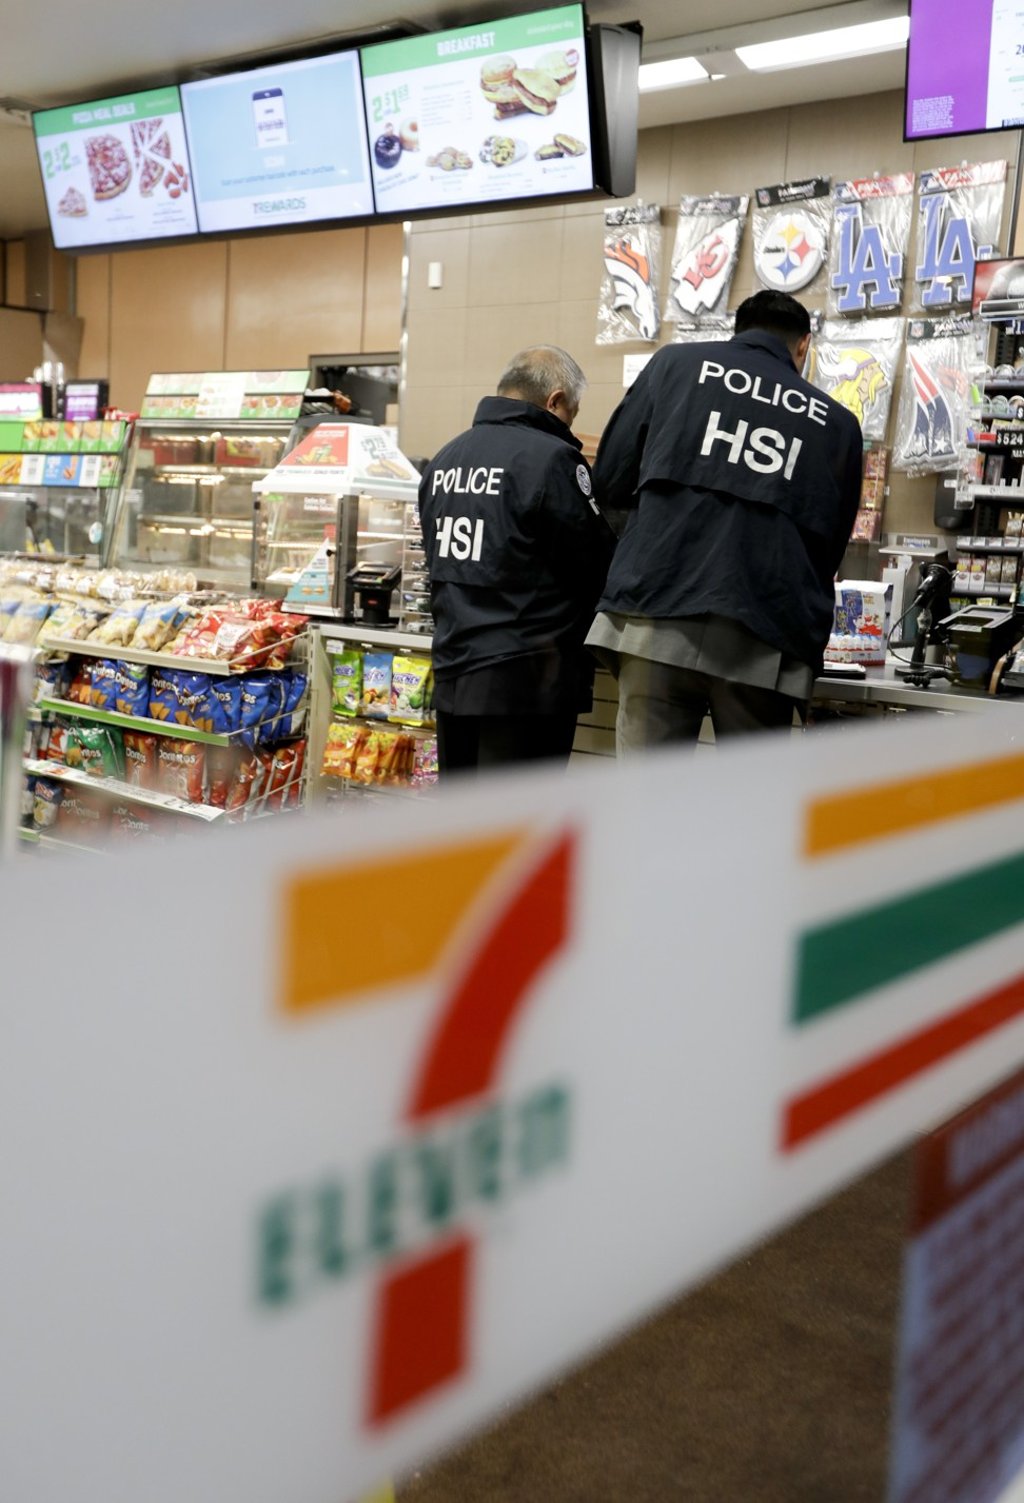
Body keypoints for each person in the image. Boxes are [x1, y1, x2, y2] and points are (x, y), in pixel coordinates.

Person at [587, 290, 863, 750]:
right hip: (764, 633)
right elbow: (832, 543)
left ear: (737, 330)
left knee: (644, 806)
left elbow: (610, 478)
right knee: (747, 810)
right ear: (803, 346)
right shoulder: (837, 424)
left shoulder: (674, 366)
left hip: (656, 614)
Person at [419, 345, 614, 775]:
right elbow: (595, 563)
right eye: (573, 413)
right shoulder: (552, 460)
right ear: (555, 400)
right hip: (528, 679)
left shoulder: (445, 459)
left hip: (454, 668)